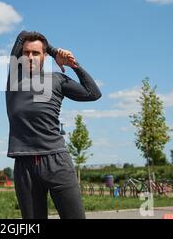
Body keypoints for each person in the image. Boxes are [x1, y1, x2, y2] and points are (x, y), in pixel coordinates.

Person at [6, 31, 102, 219]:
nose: (30, 57)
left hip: (56, 161)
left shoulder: (57, 79)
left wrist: (73, 64)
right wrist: (54, 49)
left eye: (36, 53)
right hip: (24, 165)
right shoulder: (14, 78)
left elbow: (93, 93)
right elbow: (22, 35)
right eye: (26, 53)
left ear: (44, 57)